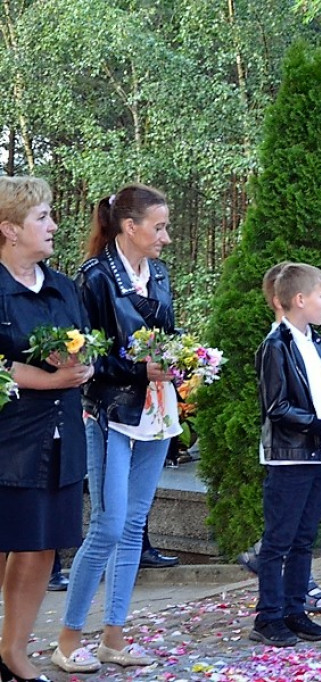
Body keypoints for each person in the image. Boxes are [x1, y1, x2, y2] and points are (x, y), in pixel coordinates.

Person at [54, 185, 179, 674]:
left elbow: (165, 337)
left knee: (131, 526)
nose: (165, 237)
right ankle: (66, 641)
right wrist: (136, 371)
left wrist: (182, 361)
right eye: (160, 227)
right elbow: (85, 354)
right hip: (111, 411)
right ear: (131, 226)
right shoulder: (94, 278)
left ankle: (113, 636)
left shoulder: (161, 273)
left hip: (157, 413)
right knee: (107, 525)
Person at [0, 176, 93, 682]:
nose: (53, 225)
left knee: (40, 546)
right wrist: (45, 377)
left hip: (59, 433)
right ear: (9, 230)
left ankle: (14, 649)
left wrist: (86, 365)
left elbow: (84, 342)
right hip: (8, 437)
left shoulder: (62, 286)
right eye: (42, 217)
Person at [249, 263, 321, 647]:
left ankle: (295, 610)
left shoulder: (318, 342)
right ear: (299, 300)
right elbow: (276, 407)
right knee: (279, 539)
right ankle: (268, 616)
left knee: (304, 537)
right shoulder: (275, 346)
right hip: (291, 457)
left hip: (319, 452)